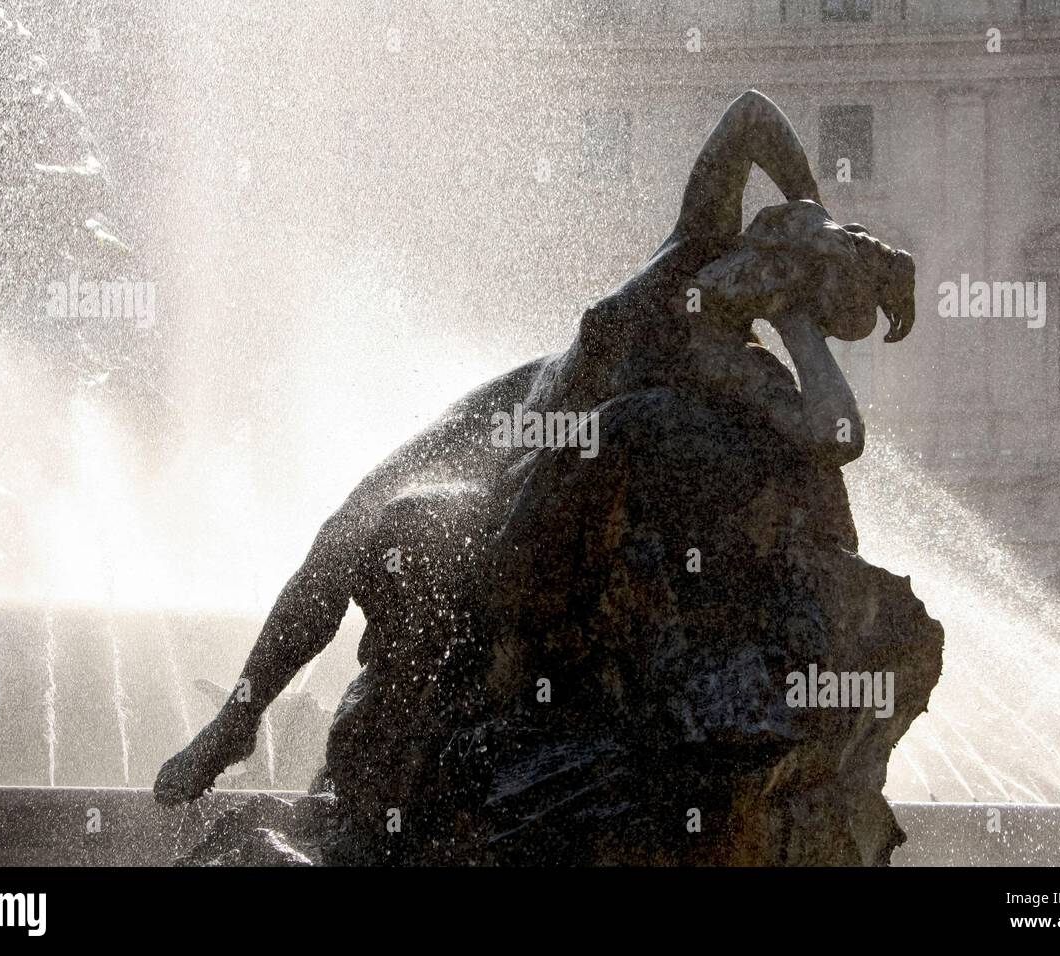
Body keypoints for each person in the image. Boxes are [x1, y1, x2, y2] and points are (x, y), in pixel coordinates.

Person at [153, 90, 915, 806]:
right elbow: (749, 115)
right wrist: (815, 206)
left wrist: (800, 329)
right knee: (345, 525)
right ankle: (236, 721)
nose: (756, 270)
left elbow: (837, 436)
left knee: (387, 540)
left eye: (782, 278)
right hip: (519, 399)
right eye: (780, 249)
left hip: (531, 480)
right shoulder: (698, 237)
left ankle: (318, 754)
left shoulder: (728, 361)